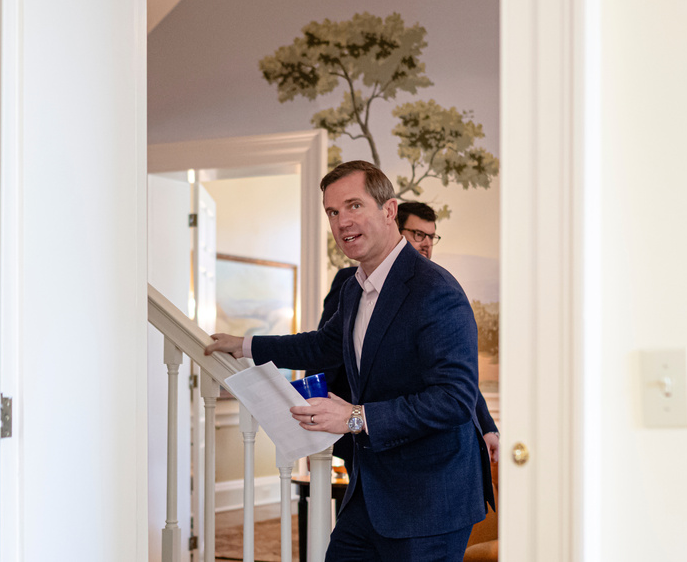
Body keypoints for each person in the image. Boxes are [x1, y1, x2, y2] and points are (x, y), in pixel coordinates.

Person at [206, 160, 493, 562]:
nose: (342, 222)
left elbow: (454, 399)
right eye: (333, 211)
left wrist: (355, 418)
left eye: (354, 205)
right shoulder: (354, 289)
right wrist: (245, 344)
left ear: (389, 210)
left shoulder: (436, 290)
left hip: (429, 500)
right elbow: (323, 345)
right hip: (370, 490)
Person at [316, 200, 500, 472]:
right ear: (394, 229)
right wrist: (317, 426)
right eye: (418, 234)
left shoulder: (434, 286)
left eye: (431, 236)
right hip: (364, 435)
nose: (426, 243)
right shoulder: (352, 282)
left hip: (425, 442)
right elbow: (323, 353)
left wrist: (486, 426)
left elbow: (456, 375)